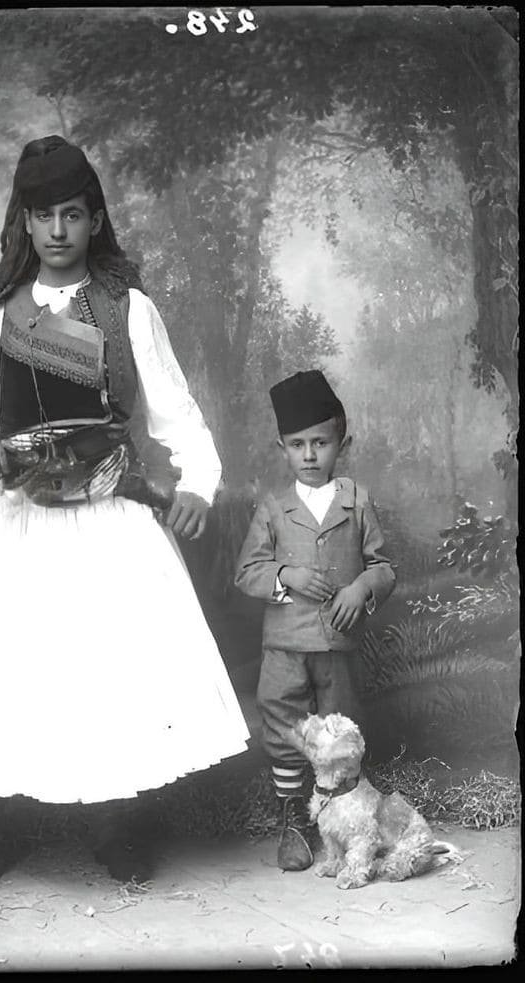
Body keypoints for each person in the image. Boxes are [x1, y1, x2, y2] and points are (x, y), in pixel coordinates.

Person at [0, 136, 250, 898]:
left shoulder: (129, 310)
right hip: (26, 522)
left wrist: (197, 485)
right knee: (5, 671)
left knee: (108, 671)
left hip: (110, 517)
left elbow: (178, 413)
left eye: (72, 214)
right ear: (24, 223)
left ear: (94, 220)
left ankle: (115, 827)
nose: (58, 230)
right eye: (43, 215)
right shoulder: (3, 316)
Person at [234, 370, 395, 872]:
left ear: (341, 444)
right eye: (297, 444)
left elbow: (383, 567)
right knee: (284, 723)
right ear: (282, 448)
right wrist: (287, 575)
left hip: (338, 645)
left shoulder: (356, 500)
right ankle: (295, 821)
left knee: (339, 727)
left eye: (320, 443)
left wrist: (361, 588)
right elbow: (247, 572)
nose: (309, 455)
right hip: (285, 644)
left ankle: (346, 822)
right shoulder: (274, 508)